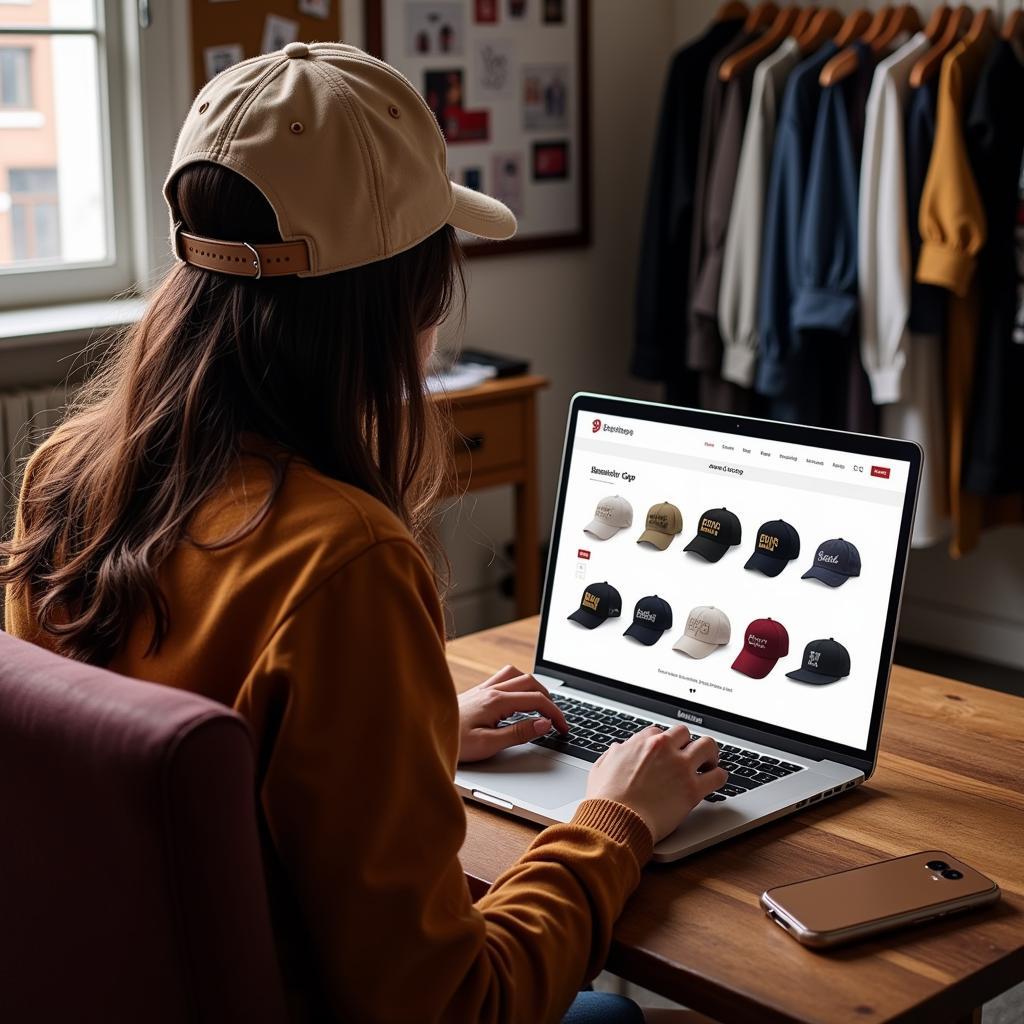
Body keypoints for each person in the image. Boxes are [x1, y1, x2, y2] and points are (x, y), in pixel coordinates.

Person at [1, 43, 726, 1023]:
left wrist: (415, 734)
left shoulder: (68, 476)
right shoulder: (345, 558)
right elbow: (451, 1005)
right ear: (404, 298)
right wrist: (617, 820)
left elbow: (172, 782)